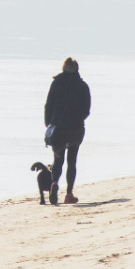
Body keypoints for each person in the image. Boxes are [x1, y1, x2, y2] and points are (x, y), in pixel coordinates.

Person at [43, 57, 91, 205]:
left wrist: (48, 123)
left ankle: (54, 184)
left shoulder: (56, 84)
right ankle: (69, 194)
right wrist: (78, 119)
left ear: (63, 68)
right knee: (72, 160)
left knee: (58, 160)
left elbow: (48, 104)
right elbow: (86, 109)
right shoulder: (82, 86)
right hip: (75, 129)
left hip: (58, 128)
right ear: (77, 69)